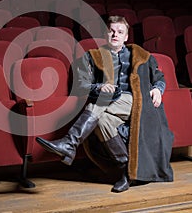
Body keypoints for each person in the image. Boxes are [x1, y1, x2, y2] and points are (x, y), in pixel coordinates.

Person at [36, 15, 174, 193]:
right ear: (105, 34)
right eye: (111, 31)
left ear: (126, 37)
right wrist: (98, 86)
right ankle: (127, 170)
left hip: (138, 103)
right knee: (101, 121)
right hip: (110, 104)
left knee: (101, 104)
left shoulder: (142, 56)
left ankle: (70, 143)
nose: (115, 35)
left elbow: (159, 78)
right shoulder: (93, 57)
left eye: (120, 32)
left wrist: (157, 89)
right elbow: (81, 85)